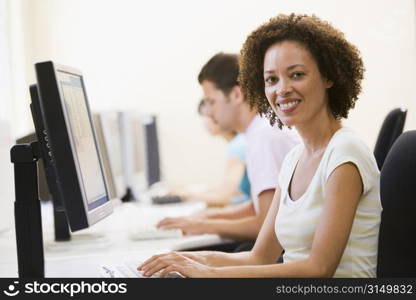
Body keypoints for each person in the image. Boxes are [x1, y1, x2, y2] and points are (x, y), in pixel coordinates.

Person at [139, 14, 382, 278]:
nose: (282, 89)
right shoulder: (294, 159)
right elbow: (260, 256)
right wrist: (181, 260)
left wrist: (209, 274)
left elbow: (319, 269)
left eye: (296, 75)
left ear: (328, 77)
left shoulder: (345, 153)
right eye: (271, 79)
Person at [157, 52, 299, 241]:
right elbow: (257, 207)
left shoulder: (265, 137)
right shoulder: (259, 130)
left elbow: (266, 226)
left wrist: (204, 226)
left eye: (211, 101)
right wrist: (207, 217)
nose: (207, 111)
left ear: (236, 94)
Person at [170, 99, 251, 206]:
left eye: (206, 116)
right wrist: (189, 192)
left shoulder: (238, 145)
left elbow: (224, 197)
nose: (204, 121)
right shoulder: (240, 141)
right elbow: (227, 189)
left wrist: (187, 195)